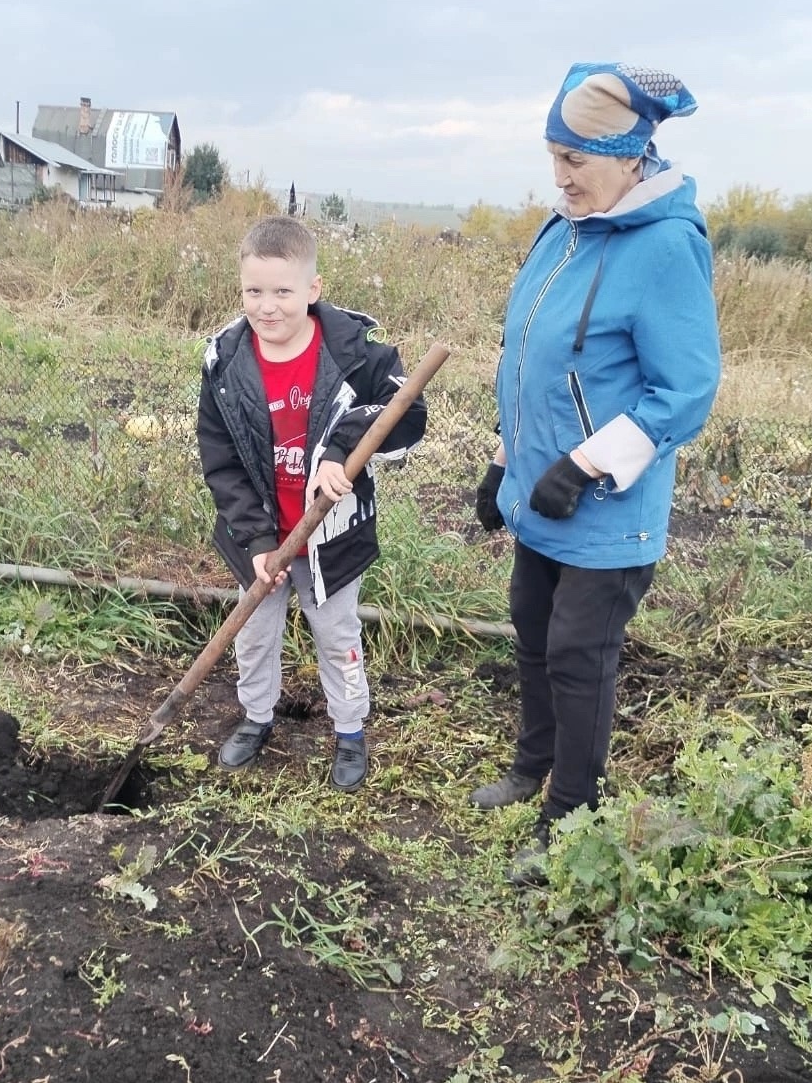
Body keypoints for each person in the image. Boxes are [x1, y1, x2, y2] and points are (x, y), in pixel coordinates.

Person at [471, 63, 721, 882]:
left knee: (581, 655)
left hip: (608, 512)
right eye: (554, 155)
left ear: (630, 153)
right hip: (540, 494)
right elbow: (534, 365)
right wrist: (505, 460)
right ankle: (530, 764)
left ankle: (570, 812)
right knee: (532, 631)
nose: (561, 175)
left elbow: (685, 389)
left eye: (576, 160)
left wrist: (585, 465)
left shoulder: (665, 248)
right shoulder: (565, 229)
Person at [197, 215, 426, 790]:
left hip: (332, 535)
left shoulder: (356, 354)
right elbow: (221, 461)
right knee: (252, 631)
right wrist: (255, 541)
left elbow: (408, 413)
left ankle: (350, 732)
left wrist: (344, 446)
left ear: (312, 290)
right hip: (261, 534)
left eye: (282, 292)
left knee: (337, 634)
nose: (267, 306)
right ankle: (256, 716)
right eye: (254, 291)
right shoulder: (226, 362)